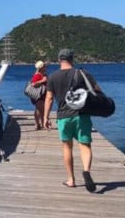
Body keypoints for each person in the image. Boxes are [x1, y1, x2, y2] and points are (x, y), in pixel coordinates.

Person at [43, 48, 101, 192]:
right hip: (81, 115)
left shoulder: (52, 77)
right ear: (72, 59)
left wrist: (45, 117)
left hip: (63, 117)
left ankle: (71, 180)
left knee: (67, 147)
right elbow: (98, 90)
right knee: (85, 145)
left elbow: (49, 99)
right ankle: (86, 171)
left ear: (59, 60)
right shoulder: (83, 73)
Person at [30, 60, 49, 129]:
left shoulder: (42, 74)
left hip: (42, 95)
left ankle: (40, 124)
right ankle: (38, 124)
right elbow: (33, 84)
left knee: (40, 110)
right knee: (39, 110)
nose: (46, 67)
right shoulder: (38, 75)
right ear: (41, 67)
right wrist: (43, 80)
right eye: (44, 66)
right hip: (39, 95)